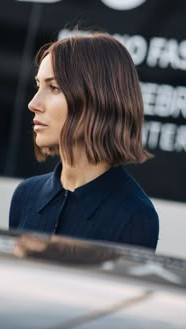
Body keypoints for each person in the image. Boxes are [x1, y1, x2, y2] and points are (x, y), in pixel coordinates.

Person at [9, 31, 159, 250]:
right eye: (38, 85)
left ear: (97, 99)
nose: (33, 103)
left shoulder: (134, 215)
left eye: (54, 88)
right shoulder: (26, 195)